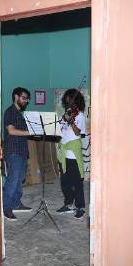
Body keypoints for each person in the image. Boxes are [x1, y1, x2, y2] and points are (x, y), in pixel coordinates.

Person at [56, 88, 87, 219]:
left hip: (74, 155)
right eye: (68, 103)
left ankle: (80, 207)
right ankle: (68, 204)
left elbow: (78, 133)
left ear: (77, 103)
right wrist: (63, 120)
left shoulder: (80, 116)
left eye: (72, 103)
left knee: (77, 183)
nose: (70, 106)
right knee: (65, 182)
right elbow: (60, 130)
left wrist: (71, 121)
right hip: (64, 154)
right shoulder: (66, 115)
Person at [2, 87, 32, 220]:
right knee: (12, 181)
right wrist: (30, 132)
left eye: (27, 99)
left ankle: (16, 203)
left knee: (19, 181)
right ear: (16, 97)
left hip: (22, 152)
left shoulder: (20, 114)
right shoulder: (10, 112)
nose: (26, 101)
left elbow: (22, 133)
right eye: (24, 98)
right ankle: (7, 208)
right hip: (13, 152)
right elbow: (11, 131)